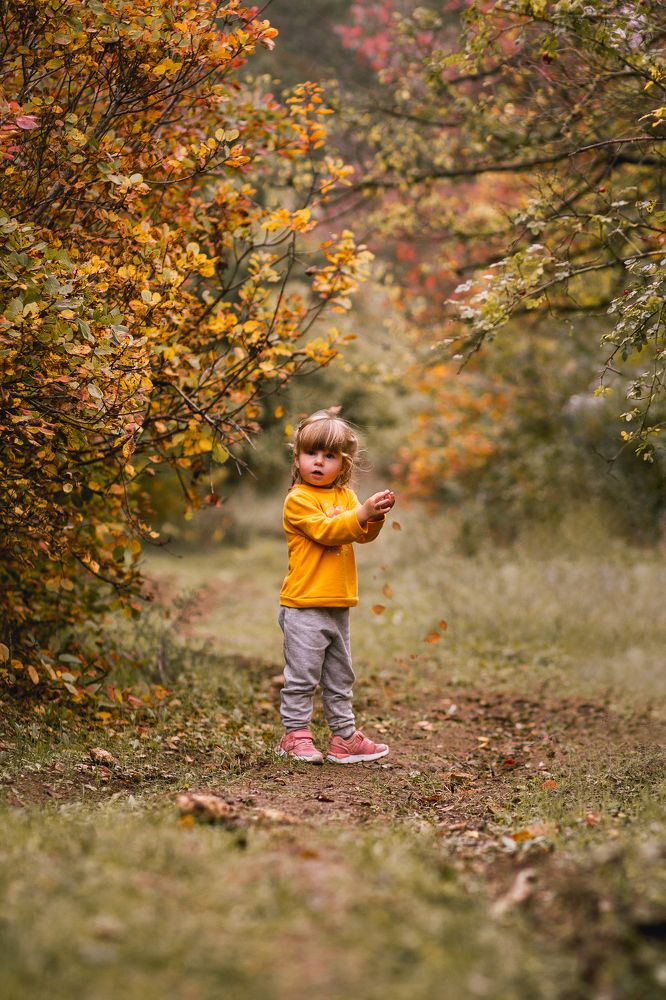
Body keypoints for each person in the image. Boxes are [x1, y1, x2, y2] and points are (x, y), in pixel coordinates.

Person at [277, 407, 395, 765]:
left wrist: (373, 516)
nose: (318, 462)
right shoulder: (298, 499)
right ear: (297, 458)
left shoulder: (344, 497)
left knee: (340, 675)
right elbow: (329, 531)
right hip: (303, 604)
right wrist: (361, 515)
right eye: (311, 453)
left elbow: (359, 535)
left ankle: (344, 738)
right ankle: (295, 735)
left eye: (329, 456)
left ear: (343, 464)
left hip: (337, 602)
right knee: (302, 676)